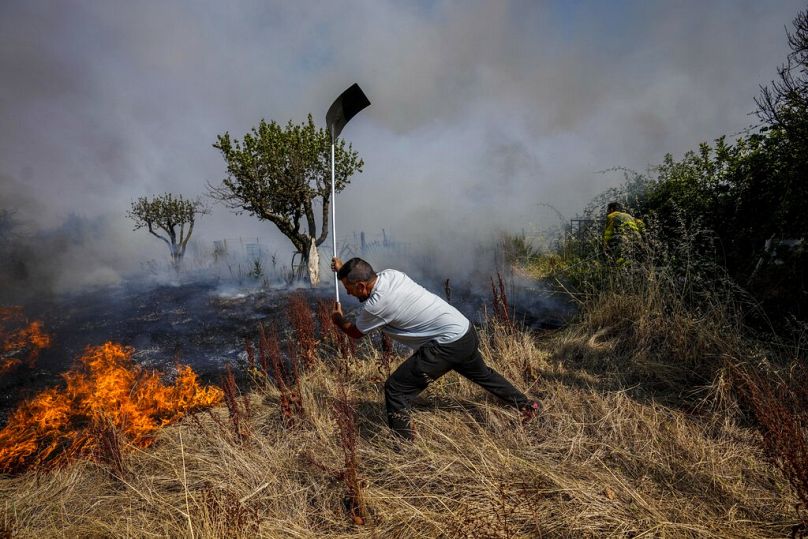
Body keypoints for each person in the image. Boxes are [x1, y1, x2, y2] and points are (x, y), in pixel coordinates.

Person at [330, 257, 541, 441]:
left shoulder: (376, 305)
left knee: (396, 389)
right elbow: (361, 271)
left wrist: (338, 319)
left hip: (446, 344)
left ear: (361, 286)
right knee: (483, 374)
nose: (348, 294)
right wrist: (342, 270)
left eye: (349, 289)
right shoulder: (391, 274)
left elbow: (356, 333)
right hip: (463, 330)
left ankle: (402, 449)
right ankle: (527, 405)